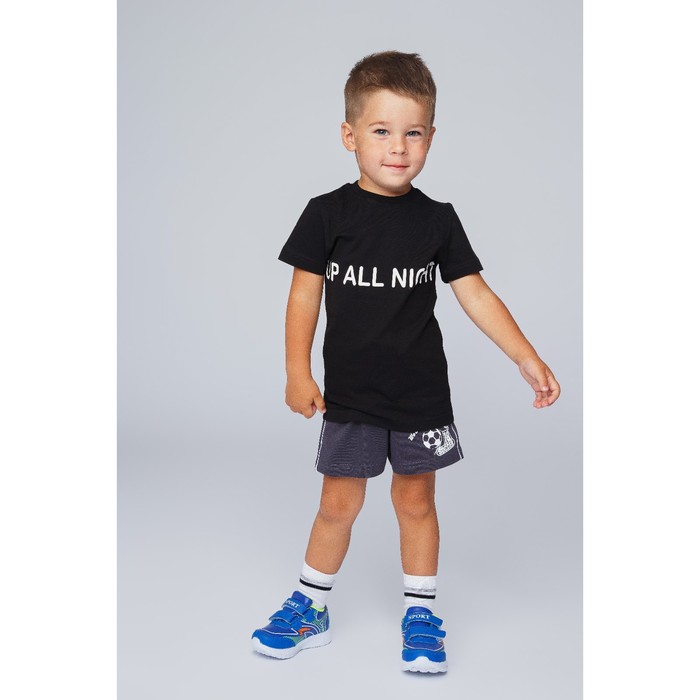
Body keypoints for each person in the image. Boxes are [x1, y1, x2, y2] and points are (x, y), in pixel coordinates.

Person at [251, 50, 560, 674]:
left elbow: (475, 294)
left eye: (413, 132)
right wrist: (296, 371)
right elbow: (303, 297)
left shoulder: (437, 221)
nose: (398, 147)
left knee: (415, 504)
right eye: (381, 131)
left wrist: (525, 355)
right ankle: (311, 606)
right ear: (350, 136)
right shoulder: (326, 214)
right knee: (338, 504)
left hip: (420, 397)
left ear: (431, 138)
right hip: (351, 397)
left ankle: (420, 614)